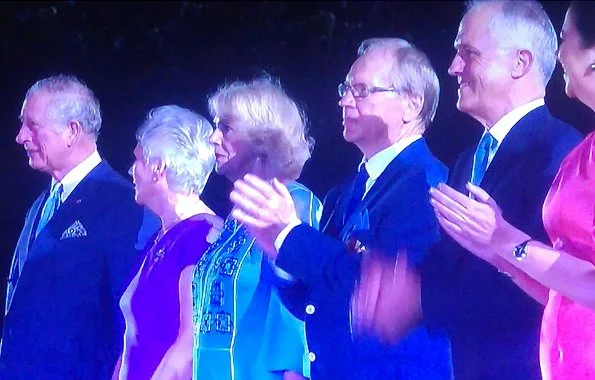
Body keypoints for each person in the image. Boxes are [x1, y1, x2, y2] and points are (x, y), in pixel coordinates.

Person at [352, 1, 584, 379]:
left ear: (519, 64)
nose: (453, 67)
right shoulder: (467, 161)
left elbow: (558, 291)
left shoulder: (562, 153)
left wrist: (420, 299)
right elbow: (457, 264)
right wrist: (401, 282)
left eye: (468, 54)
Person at [229, 38, 452, 379]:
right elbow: (317, 299)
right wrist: (281, 256)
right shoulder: (341, 193)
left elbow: (380, 292)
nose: (344, 100)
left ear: (411, 103)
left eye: (362, 91)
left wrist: (291, 235)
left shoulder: (426, 186)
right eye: (346, 88)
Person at [428, 1, 595, 379]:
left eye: (564, 37)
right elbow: (561, 292)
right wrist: (503, 257)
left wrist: (506, 241)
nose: (556, 51)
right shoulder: (579, 154)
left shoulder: (558, 147)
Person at [0, 74, 159, 379]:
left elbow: (132, 318)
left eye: (32, 125)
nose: (20, 136)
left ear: (71, 131)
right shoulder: (40, 205)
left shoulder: (124, 205)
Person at [192, 77, 321, 380]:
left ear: (261, 139)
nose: (213, 138)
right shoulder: (235, 219)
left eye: (225, 128)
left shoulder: (294, 202)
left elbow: (297, 315)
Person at [113, 105, 221, 379]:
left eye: (137, 160)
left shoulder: (203, 237)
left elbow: (189, 345)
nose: (130, 170)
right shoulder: (159, 237)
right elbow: (132, 343)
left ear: (158, 167)